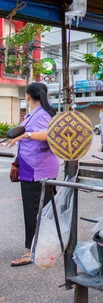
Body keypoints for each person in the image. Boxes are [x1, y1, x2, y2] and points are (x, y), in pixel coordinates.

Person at [7, 82, 59, 266]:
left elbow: (48, 134)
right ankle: (46, 245)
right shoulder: (38, 113)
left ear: (27, 96)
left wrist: (26, 135)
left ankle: (32, 251)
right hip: (35, 167)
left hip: (37, 169)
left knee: (33, 211)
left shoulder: (41, 114)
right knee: (44, 210)